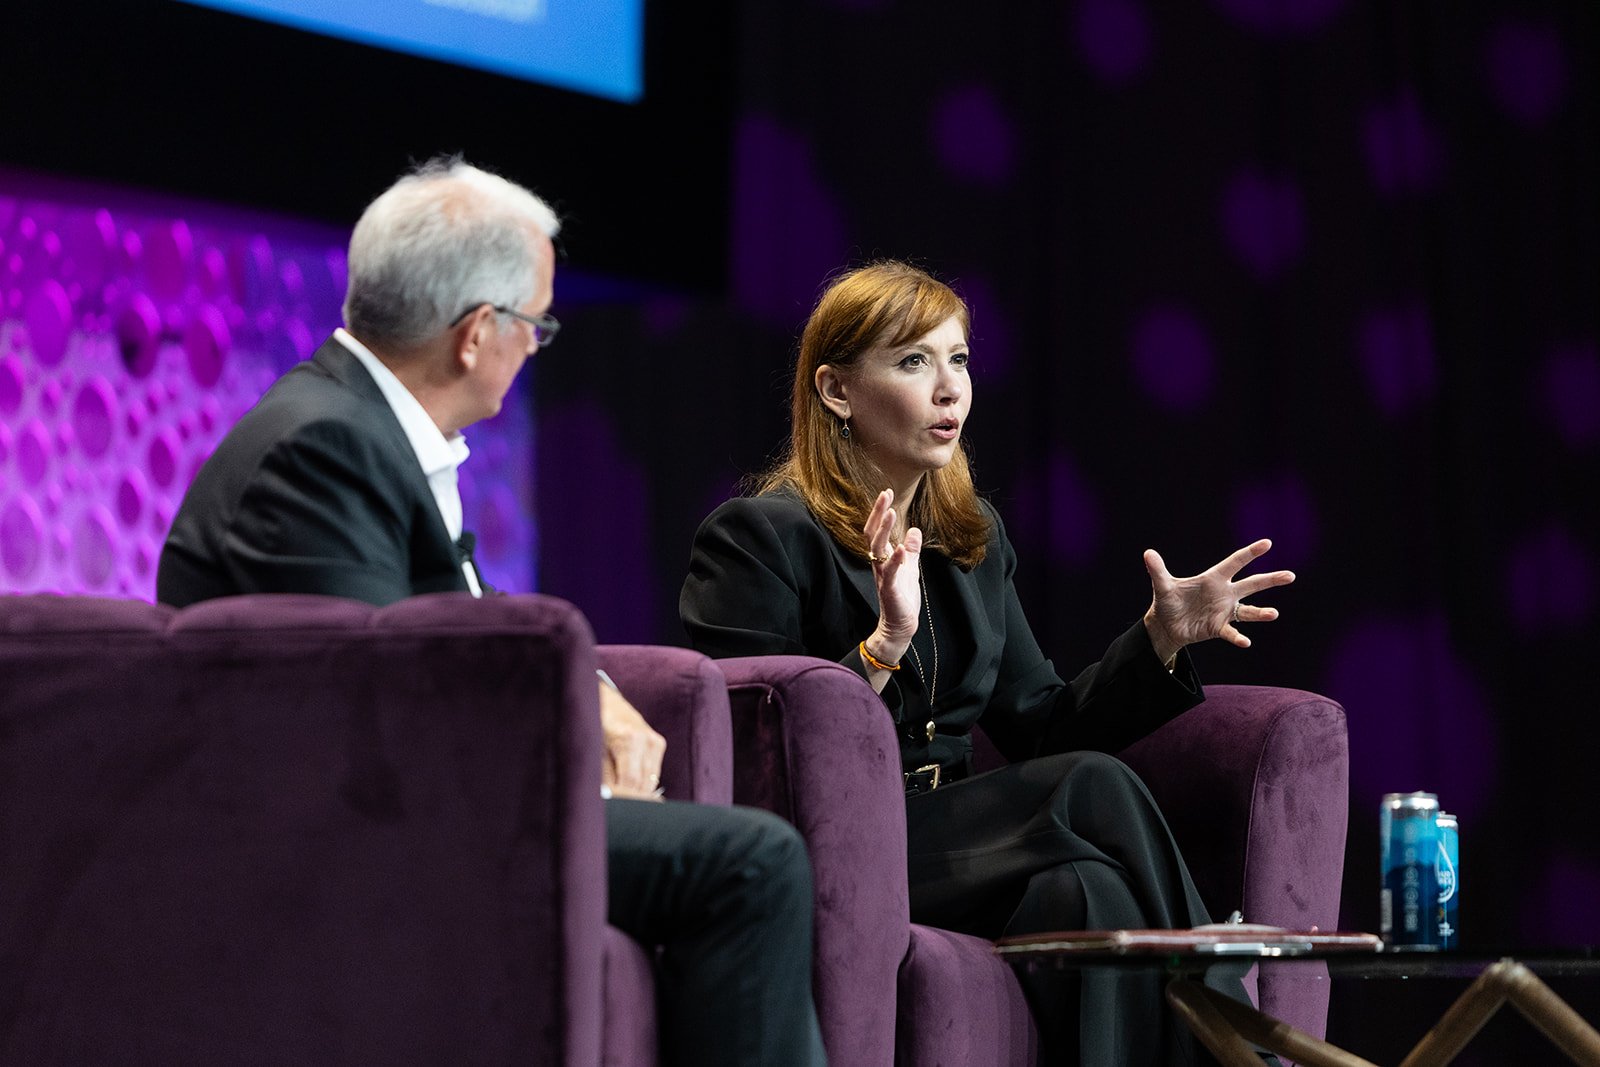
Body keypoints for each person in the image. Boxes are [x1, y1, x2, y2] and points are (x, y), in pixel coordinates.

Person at [158, 158, 826, 1067]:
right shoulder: (323, 448)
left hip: (413, 804)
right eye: (537, 323)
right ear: (478, 333)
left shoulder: (365, 428)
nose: (538, 342)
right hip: (345, 832)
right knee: (753, 862)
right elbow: (370, 704)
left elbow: (454, 621)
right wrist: (565, 754)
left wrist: (585, 691)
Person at [681, 261, 1294, 1065]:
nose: (950, 390)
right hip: (827, 845)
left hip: (960, 844)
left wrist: (1159, 637)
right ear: (835, 390)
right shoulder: (757, 538)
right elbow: (751, 746)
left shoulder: (972, 541)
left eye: (959, 359)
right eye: (913, 361)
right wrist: (880, 648)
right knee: (1089, 784)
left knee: (1086, 892)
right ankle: (1244, 1033)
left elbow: (1042, 730)